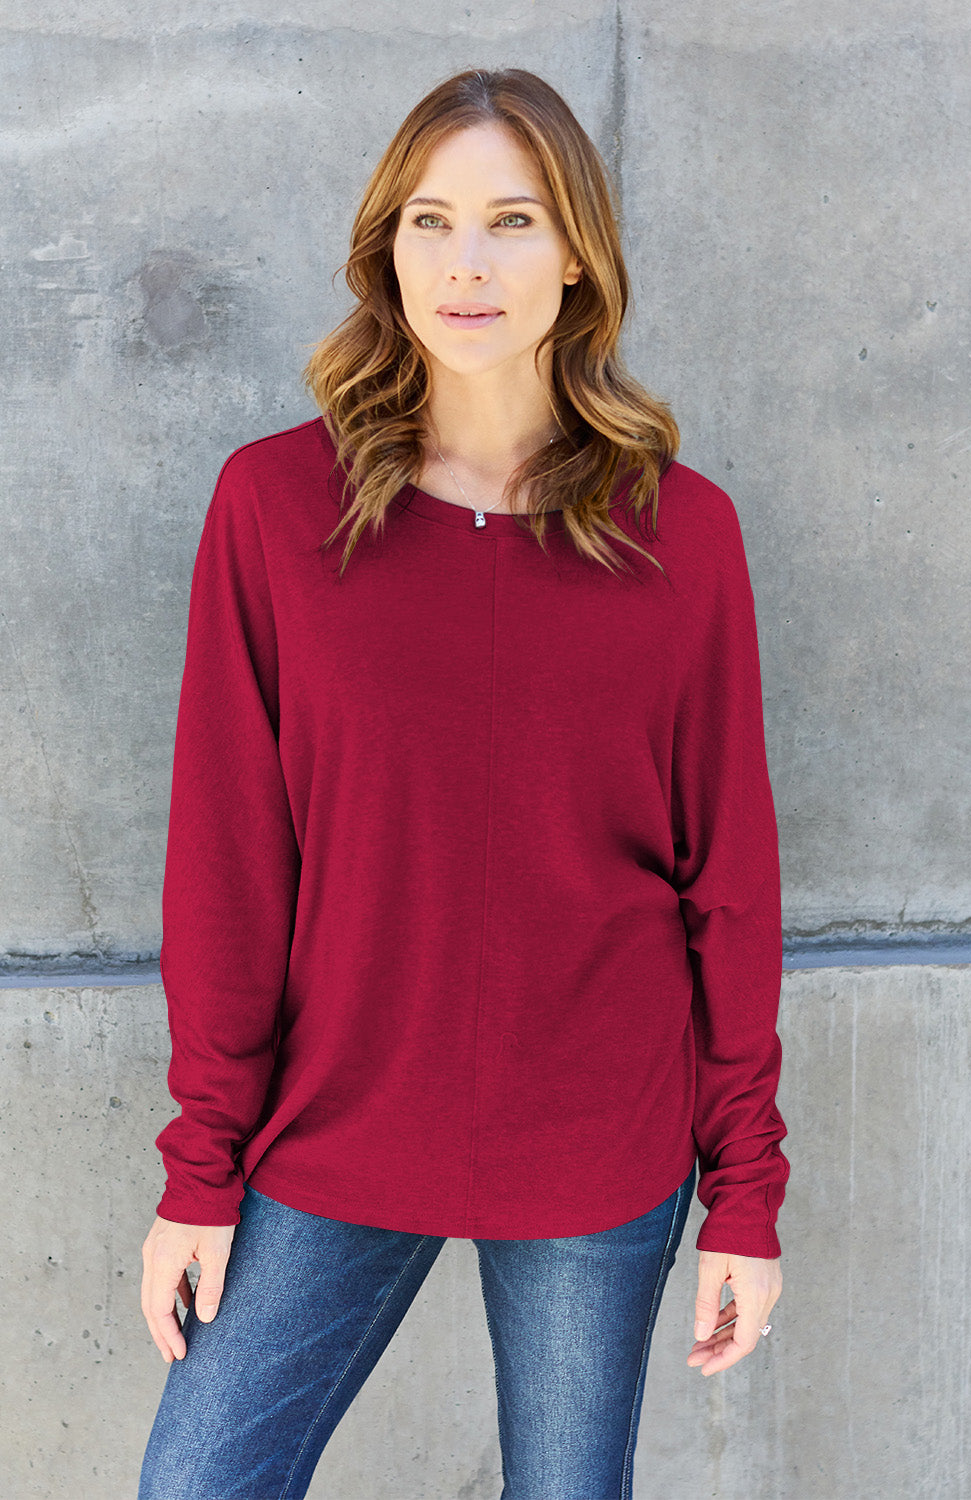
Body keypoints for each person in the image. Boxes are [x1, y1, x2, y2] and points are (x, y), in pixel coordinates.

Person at [138, 66, 787, 1500]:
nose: (466, 264)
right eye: (429, 222)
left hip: (596, 1138)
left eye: (512, 220)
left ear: (578, 256)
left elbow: (730, 882)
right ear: (388, 252)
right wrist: (201, 1166)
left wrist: (746, 1192)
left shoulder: (681, 537)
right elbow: (228, 867)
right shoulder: (275, 510)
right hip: (337, 1123)